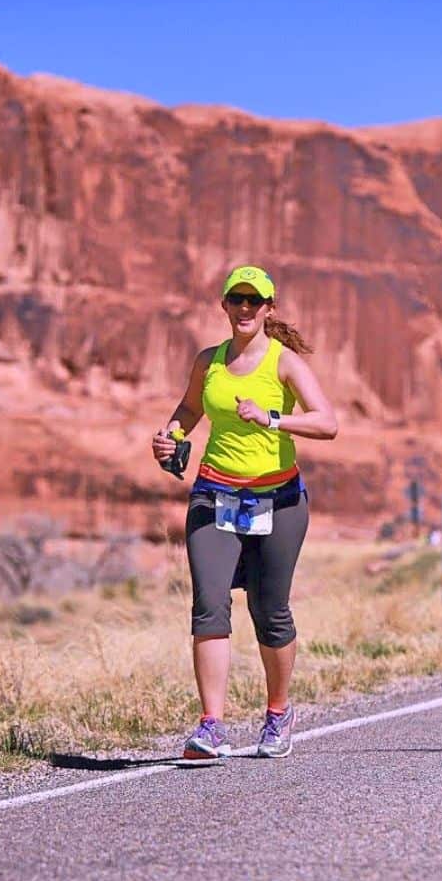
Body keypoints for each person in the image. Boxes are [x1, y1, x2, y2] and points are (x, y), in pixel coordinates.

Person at [152, 265, 338, 759]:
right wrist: (170, 437)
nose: (245, 309)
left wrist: (273, 418)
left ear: (269, 308)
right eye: (237, 299)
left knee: (269, 610)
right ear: (225, 306)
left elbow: (328, 423)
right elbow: (188, 410)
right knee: (210, 603)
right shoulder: (208, 361)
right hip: (214, 495)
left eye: (255, 301)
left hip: (278, 500)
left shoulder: (284, 364)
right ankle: (211, 726)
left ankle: (278, 714)